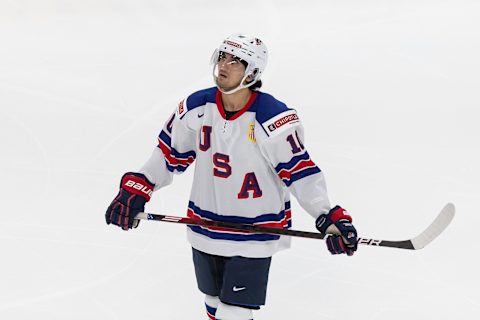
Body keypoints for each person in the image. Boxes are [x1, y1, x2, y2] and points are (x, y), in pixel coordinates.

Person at [106, 33, 358, 320]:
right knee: (213, 302)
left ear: (252, 72)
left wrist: (327, 215)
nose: (225, 65)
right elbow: (168, 155)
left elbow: (300, 173)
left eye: (236, 61)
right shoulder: (196, 108)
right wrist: (139, 188)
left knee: (233, 312)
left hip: (255, 232)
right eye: (223, 57)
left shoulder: (273, 118)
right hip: (205, 226)